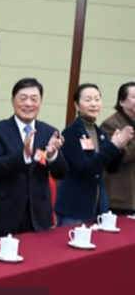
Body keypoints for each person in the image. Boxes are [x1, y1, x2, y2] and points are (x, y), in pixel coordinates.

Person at [0, 78, 68, 238]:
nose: (28, 104)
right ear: (13, 101)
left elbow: (61, 172)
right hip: (4, 213)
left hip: (38, 215)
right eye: (23, 98)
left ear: (40, 102)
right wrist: (23, 156)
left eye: (34, 99)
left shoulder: (49, 132)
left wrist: (52, 156)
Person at [54, 84, 133, 225]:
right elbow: (86, 168)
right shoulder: (71, 132)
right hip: (75, 206)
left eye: (97, 99)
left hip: (97, 205)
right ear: (77, 105)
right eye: (88, 100)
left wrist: (119, 147)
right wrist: (112, 146)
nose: (93, 104)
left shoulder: (98, 132)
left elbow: (111, 168)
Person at [101, 82, 135, 216]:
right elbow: (121, 156)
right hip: (121, 196)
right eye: (134, 97)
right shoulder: (110, 124)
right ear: (121, 102)